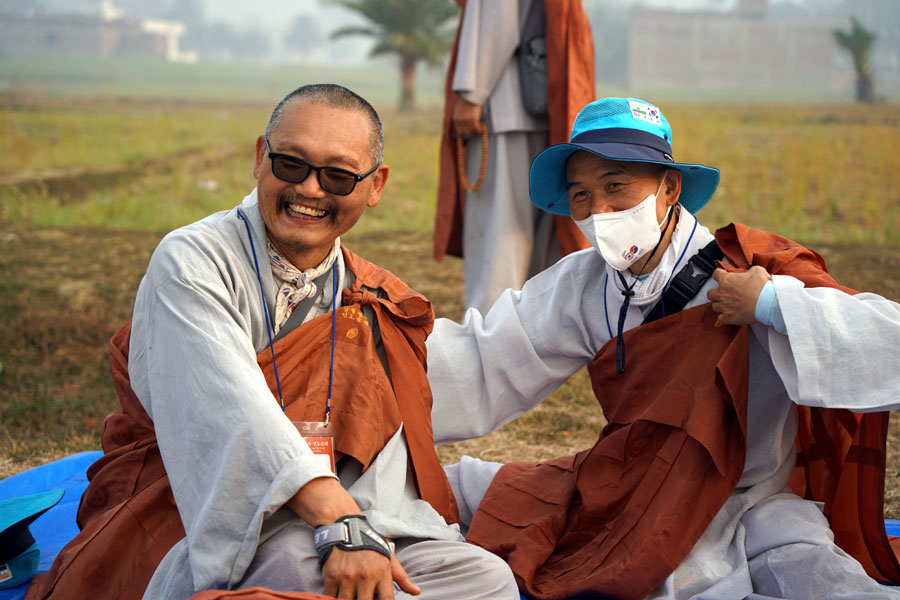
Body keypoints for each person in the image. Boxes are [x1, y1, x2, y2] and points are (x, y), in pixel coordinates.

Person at [28, 84, 518, 600]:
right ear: (261, 158)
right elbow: (228, 410)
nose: (310, 189)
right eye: (291, 164)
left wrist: (370, 530)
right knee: (301, 572)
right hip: (228, 517)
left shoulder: (367, 294)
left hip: (351, 513)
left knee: (485, 580)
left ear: (376, 186)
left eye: (338, 175)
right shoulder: (194, 260)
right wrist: (340, 525)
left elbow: (384, 438)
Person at [428, 96, 900, 599]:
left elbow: (886, 339)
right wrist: (364, 372)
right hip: (633, 492)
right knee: (452, 487)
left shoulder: (751, 269)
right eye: (581, 194)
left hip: (754, 508)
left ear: (669, 187)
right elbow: (482, 361)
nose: (599, 211)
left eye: (616, 187)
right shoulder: (584, 283)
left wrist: (770, 305)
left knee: (829, 584)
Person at [433, 0, 594, 314]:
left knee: (500, 231)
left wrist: (471, 93)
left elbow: (497, 18)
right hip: (547, 104)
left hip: (503, 103)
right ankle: (538, 330)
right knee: (540, 230)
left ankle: (491, 334)